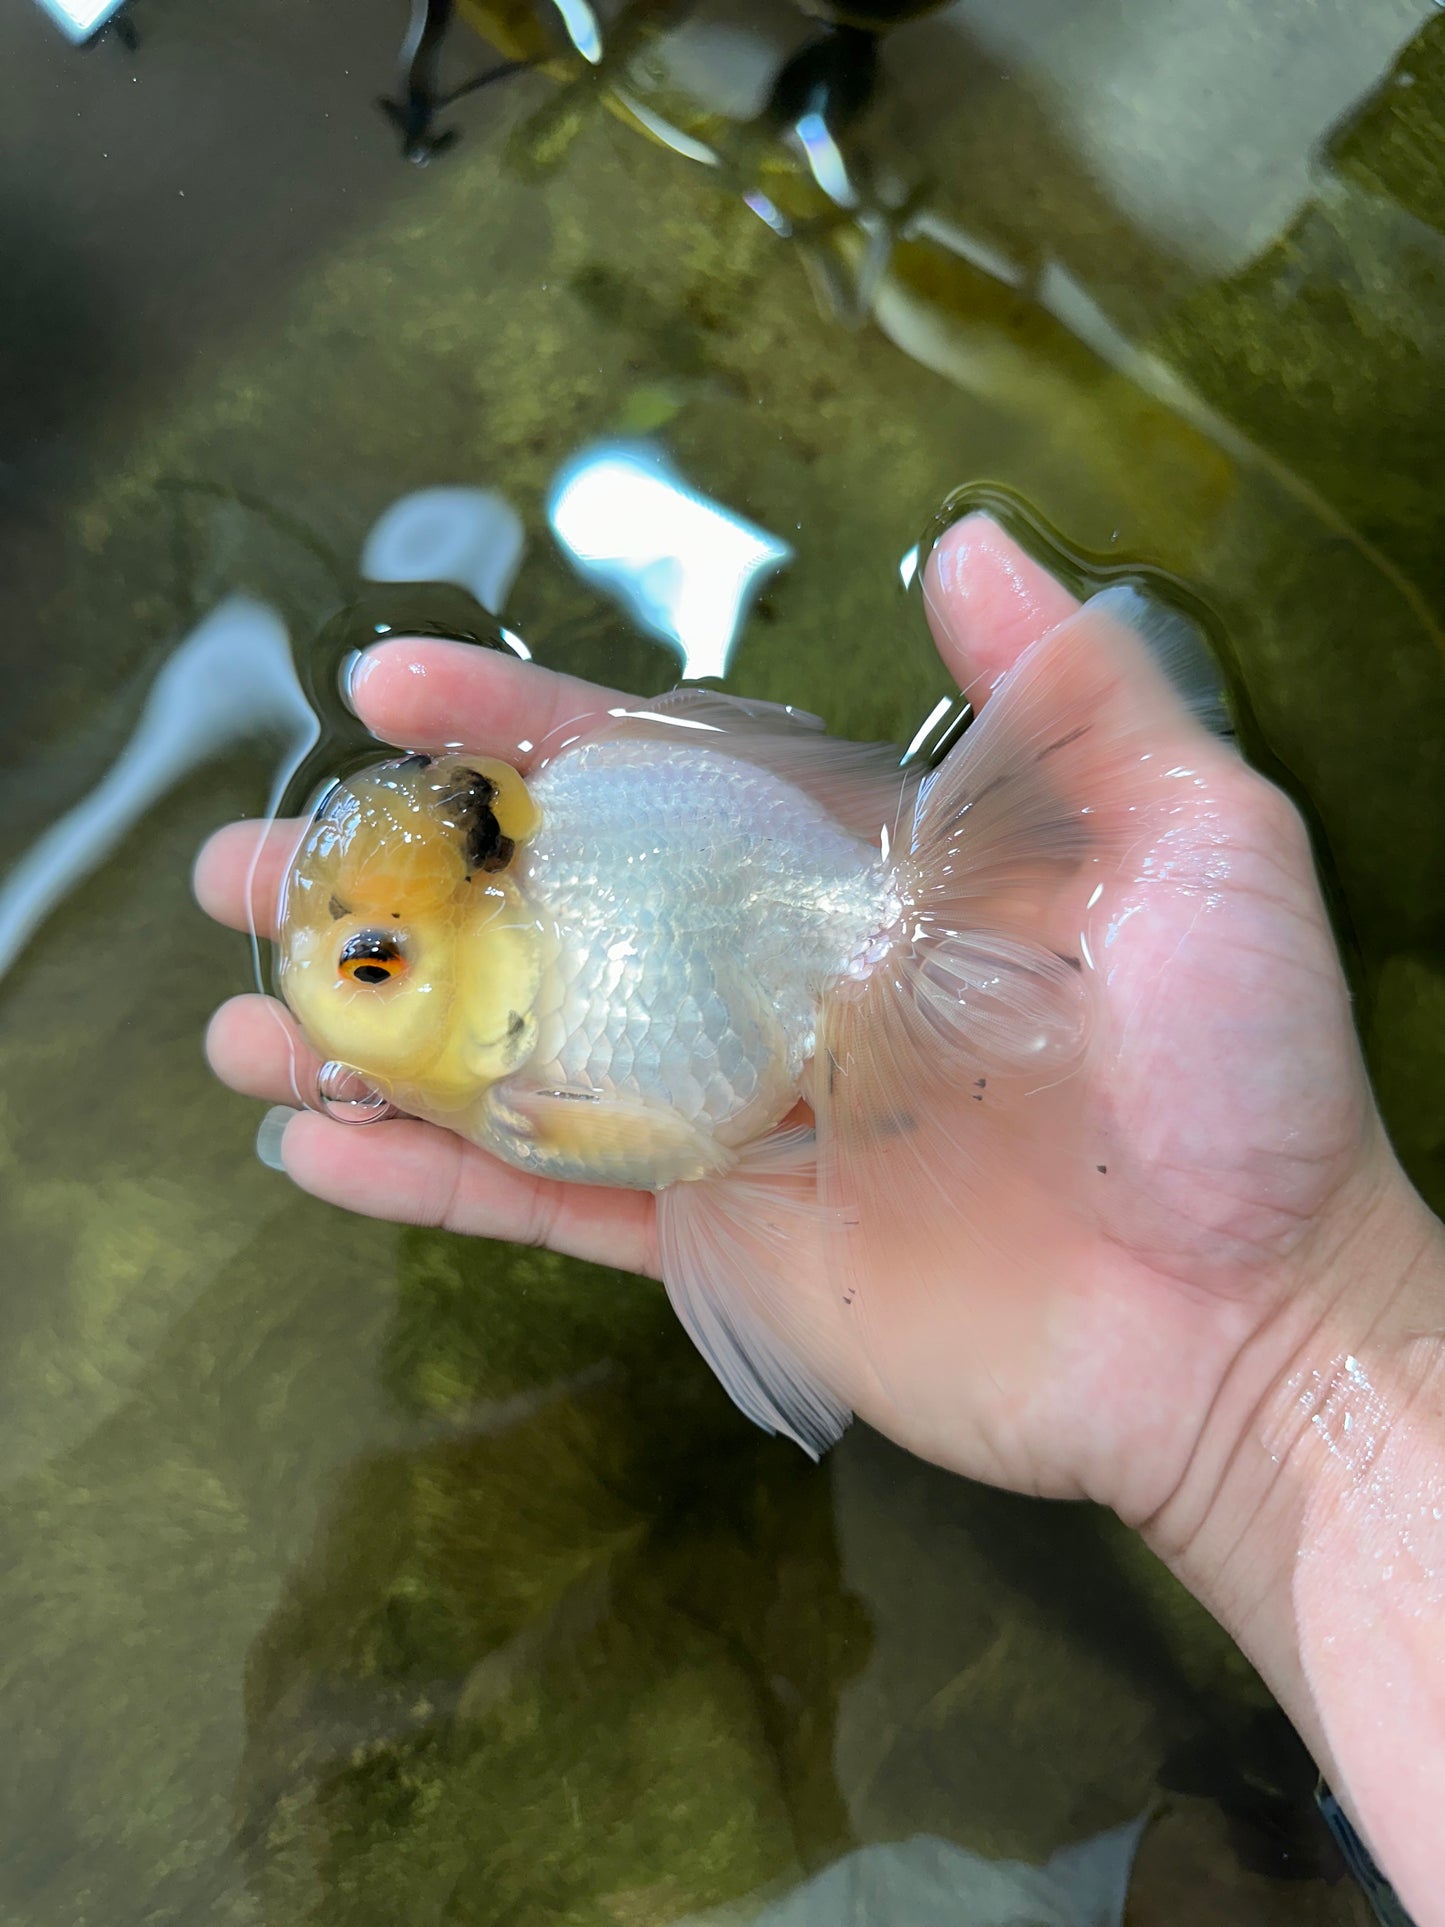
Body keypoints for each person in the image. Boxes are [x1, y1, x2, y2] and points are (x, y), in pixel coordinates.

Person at [195, 513, 1445, 1924]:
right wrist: (1296, 1349)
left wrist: (1283, 1346)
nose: (333, 986)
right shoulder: (506, 952)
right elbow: (667, 1141)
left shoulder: (533, 1020)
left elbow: (658, 1132)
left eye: (368, 963)